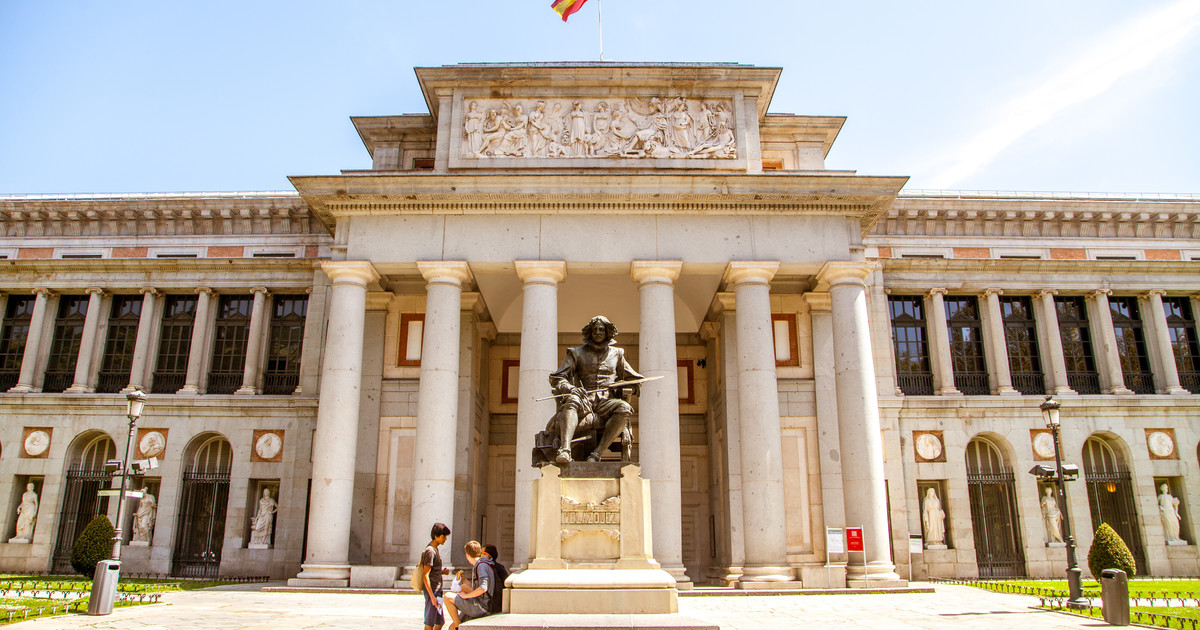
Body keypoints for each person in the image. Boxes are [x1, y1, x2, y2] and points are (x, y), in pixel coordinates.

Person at [547, 316, 643, 464]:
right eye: (595, 329)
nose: (598, 332)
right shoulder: (576, 353)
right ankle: (565, 450)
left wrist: (623, 385)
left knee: (624, 407)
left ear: (607, 332)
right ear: (589, 332)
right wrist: (571, 388)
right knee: (572, 399)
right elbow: (558, 378)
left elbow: (635, 381)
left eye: (601, 329)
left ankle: (597, 454)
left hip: (607, 402)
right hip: (584, 400)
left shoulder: (617, 354)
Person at [442, 541, 494, 629]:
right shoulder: (483, 564)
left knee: (447, 597)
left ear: (467, 555)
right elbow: (476, 588)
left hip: (481, 607)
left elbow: (482, 588)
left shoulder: (481, 566)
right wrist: (464, 580)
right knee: (451, 627)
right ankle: (456, 626)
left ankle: (458, 627)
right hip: (481, 604)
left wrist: (466, 596)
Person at [420, 522, 450, 630]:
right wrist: (432, 596)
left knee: (440, 622)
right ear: (436, 536)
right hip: (433, 591)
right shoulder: (430, 552)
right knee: (429, 624)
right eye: (443, 536)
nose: (445, 539)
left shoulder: (435, 550)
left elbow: (432, 570)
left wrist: (441, 572)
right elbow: (425, 575)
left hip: (437, 591)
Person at [482, 544, 509, 614]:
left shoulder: (497, 568)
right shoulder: (483, 567)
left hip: (493, 602)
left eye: (481, 553)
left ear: (487, 555)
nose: (480, 555)